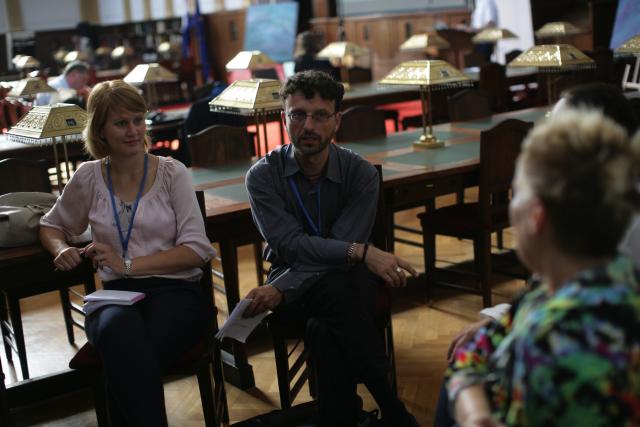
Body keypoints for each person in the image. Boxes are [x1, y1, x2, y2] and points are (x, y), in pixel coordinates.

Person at [434, 82, 640, 427]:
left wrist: (471, 406)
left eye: (516, 193)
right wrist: (475, 411)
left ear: (538, 216)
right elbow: (477, 349)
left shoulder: (551, 343)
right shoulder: (590, 278)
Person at [243, 70, 419, 427]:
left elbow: (339, 253)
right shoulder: (262, 176)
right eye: (298, 114)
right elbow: (290, 246)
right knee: (339, 292)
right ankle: (393, 409)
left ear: (337, 121)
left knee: (327, 324)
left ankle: (342, 418)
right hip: (308, 293)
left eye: (320, 115)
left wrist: (280, 288)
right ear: (284, 118)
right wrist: (363, 253)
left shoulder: (361, 174)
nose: (308, 125)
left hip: (309, 286)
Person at [39, 80, 215, 426]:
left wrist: (127, 264)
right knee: (121, 336)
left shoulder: (171, 172)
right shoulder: (89, 176)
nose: (133, 130)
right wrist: (61, 249)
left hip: (177, 292)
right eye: (121, 123)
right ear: (101, 130)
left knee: (125, 357)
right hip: (116, 297)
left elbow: (197, 250)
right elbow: (51, 225)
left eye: (138, 119)